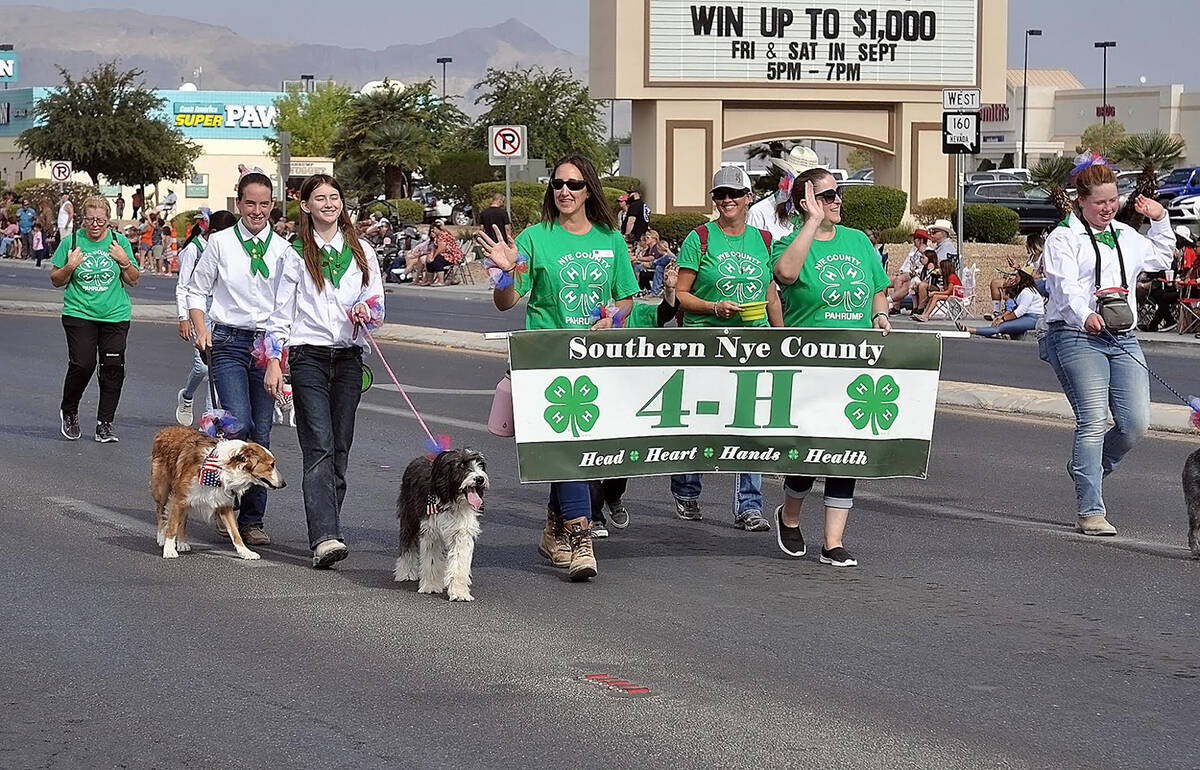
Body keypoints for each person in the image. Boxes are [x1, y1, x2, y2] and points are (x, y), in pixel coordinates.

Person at [475, 153, 638, 582]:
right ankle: (581, 538)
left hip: (597, 361)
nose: (565, 191)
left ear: (590, 191)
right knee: (568, 450)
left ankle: (553, 529)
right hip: (546, 360)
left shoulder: (611, 239)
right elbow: (506, 301)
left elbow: (626, 300)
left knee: (574, 452)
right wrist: (508, 273)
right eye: (558, 184)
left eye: (575, 184)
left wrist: (613, 319)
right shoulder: (534, 238)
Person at [1039, 161, 1172, 536]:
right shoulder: (1063, 238)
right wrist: (1085, 316)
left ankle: (1088, 468)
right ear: (1081, 201)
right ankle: (1090, 510)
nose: (1108, 207)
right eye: (1100, 202)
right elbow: (1064, 290)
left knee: (1134, 425)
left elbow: (1162, 258)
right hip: (1075, 334)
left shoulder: (1126, 235)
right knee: (1094, 419)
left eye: (1113, 200)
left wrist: (1160, 219)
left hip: (1123, 336)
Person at [771, 168, 892, 567]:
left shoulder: (858, 241)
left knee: (846, 450)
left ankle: (832, 542)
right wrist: (811, 223)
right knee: (810, 452)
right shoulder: (789, 243)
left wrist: (878, 316)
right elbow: (786, 274)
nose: (837, 201)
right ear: (806, 203)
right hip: (810, 364)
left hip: (854, 362)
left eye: (838, 194)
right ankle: (789, 514)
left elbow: (877, 290)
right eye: (826, 196)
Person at [265, 174, 384, 569]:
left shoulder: (363, 250)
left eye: (335, 197)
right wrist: (274, 360)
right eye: (320, 198)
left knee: (341, 449)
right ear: (306, 206)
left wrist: (368, 311)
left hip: (349, 357)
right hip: (307, 357)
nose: (329, 204)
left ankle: (329, 523)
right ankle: (325, 536)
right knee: (318, 445)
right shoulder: (293, 253)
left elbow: (377, 305)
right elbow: (280, 313)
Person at [186, 169, 292, 547]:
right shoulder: (220, 243)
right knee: (238, 423)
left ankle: (251, 520)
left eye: (264, 204)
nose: (257, 210)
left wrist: (281, 352)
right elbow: (196, 291)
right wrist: (200, 326)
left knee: (261, 433)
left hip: (267, 346)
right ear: (239, 203)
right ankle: (221, 501)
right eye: (250, 203)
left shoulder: (283, 250)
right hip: (228, 342)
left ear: (272, 206)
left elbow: (288, 304)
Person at [672, 165, 778, 532]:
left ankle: (749, 505)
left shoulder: (764, 240)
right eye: (720, 194)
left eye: (734, 193)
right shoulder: (700, 238)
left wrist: (782, 338)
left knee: (751, 423)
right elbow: (681, 296)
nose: (727, 200)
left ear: (749, 197)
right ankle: (686, 489)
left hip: (754, 342)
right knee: (700, 419)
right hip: (706, 342)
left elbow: (770, 295)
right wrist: (714, 308)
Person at [589, 261, 683, 538]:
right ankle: (594, 516)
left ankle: (613, 495)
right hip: (593, 394)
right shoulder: (587, 311)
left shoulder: (636, 311)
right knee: (591, 455)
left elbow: (664, 313)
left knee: (622, 455)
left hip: (628, 396)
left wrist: (669, 289)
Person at [49, 195, 140, 442]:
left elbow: (133, 278)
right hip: (79, 313)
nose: (95, 224)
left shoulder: (119, 242)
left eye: (100, 220)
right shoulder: (72, 242)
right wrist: (69, 266)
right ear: (83, 219)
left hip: (115, 315)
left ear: (108, 220)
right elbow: (56, 279)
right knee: (83, 364)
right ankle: (69, 411)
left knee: (113, 368)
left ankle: (105, 423)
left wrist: (123, 261)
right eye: (90, 219)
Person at [174, 208, 234, 425]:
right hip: (200, 309)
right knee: (203, 367)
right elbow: (184, 286)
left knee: (216, 366)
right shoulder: (194, 250)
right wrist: (183, 317)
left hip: (222, 310)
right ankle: (187, 395)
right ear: (215, 232)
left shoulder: (231, 251)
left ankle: (210, 420)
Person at [957, 267, 1042, 339]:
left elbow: (1019, 311)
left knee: (1000, 326)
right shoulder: (1023, 290)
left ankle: (971, 330)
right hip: (1026, 316)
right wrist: (1001, 316)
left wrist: (1003, 319)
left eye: (1017, 276)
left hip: (1033, 318)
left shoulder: (1027, 292)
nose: (1015, 279)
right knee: (1000, 323)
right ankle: (991, 332)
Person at [987, 232, 1046, 318]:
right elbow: (1025, 272)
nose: (1025, 246)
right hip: (1024, 279)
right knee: (995, 283)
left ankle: (1008, 310)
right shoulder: (1031, 258)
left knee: (1008, 286)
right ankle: (996, 311)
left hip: (1032, 283)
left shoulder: (1042, 258)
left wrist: (1034, 275)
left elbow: (1042, 275)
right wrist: (1017, 268)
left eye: (1027, 244)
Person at [888, 229, 930, 314]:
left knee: (900, 280)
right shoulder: (914, 250)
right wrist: (903, 271)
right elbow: (906, 263)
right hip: (908, 273)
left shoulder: (927, 252)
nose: (913, 241)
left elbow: (923, 268)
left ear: (921, 240)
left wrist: (908, 274)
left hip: (917, 276)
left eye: (915, 238)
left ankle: (892, 304)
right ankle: (892, 305)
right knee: (884, 280)